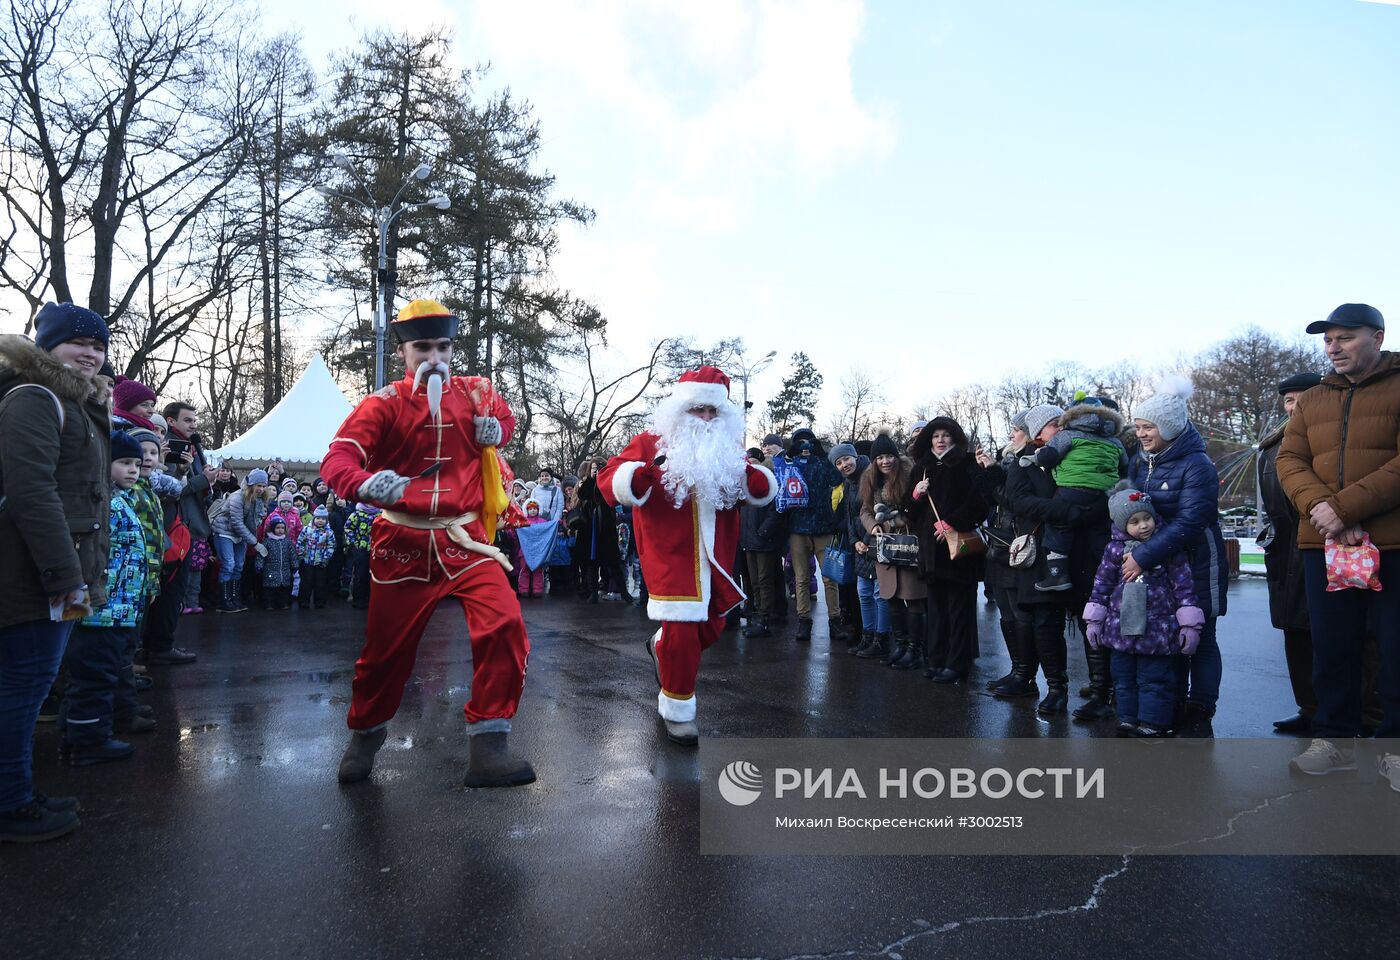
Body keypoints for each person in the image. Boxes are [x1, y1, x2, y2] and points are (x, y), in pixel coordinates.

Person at [320, 298, 534, 788]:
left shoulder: (476, 393)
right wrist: (364, 484)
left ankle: (489, 744)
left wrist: (495, 429)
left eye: (442, 347)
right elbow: (338, 458)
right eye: (422, 348)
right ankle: (366, 734)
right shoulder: (383, 403)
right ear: (404, 354)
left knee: (504, 623)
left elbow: (505, 422)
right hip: (402, 542)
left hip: (466, 539)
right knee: (385, 654)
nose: (433, 357)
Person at [599, 366, 776, 745]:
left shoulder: (728, 448)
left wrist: (759, 483)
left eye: (714, 412)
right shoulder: (651, 442)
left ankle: (659, 646)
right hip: (670, 554)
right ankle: (678, 709)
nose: (707, 419)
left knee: (709, 628)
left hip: (716, 556)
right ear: (681, 409)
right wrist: (636, 477)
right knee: (682, 632)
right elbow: (610, 479)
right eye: (699, 410)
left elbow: (751, 486)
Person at [0, 305, 112, 842]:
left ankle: (16, 789)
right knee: (23, 689)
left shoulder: (75, 401)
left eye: (98, 343)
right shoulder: (35, 398)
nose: (90, 352)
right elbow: (32, 493)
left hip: (52, 570)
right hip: (32, 574)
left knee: (27, 684)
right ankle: (9, 803)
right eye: (76, 342)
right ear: (47, 346)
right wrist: (65, 576)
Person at [1277, 303, 1400, 782]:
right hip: (1324, 544)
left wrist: (1344, 509)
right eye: (1328, 340)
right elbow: (1290, 461)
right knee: (1332, 648)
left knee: (1395, 648)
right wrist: (1324, 512)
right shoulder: (1312, 399)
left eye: (1345, 338)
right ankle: (1334, 740)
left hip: (1391, 543)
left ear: (1377, 336)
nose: (1333, 347)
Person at [1128, 379, 1229, 738]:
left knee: (1202, 636)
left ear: (1168, 428)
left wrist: (1142, 555)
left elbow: (1191, 520)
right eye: (1138, 426)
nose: (1140, 433)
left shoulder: (1197, 464)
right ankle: (1170, 703)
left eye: (1147, 427)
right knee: (1170, 635)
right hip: (1163, 565)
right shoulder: (1142, 462)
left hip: (1198, 559)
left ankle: (1201, 705)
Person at [1083, 489, 1204, 738]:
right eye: (1135, 522)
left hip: (1157, 630)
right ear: (1122, 524)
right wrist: (1095, 620)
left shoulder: (1165, 548)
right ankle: (1127, 717)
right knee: (1123, 677)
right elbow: (1102, 585)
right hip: (1120, 630)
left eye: (1147, 519)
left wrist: (1189, 624)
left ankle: (1153, 722)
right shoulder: (1113, 551)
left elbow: (1183, 584)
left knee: (1155, 679)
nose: (1144, 526)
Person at [59, 431, 148, 766]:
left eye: (137, 464)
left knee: (97, 674)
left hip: (118, 608)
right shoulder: (103, 503)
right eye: (124, 463)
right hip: (101, 609)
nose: (133, 470)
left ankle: (77, 735)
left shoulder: (121, 499)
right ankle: (89, 742)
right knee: (94, 677)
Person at [1257, 372, 1326, 733]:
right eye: (1288, 399)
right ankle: (1309, 707)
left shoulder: (1329, 440)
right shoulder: (1271, 446)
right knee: (1295, 632)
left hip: (1325, 548)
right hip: (1285, 553)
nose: (1294, 405)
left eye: (1302, 397)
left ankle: (1359, 714)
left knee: (1340, 635)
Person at [909, 418, 991, 684]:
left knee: (959, 610)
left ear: (954, 438)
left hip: (959, 550)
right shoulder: (921, 468)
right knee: (936, 609)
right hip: (931, 551)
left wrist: (952, 522)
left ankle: (957, 663)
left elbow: (980, 503)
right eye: (935, 436)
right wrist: (916, 496)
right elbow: (909, 513)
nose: (940, 440)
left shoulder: (967, 464)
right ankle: (936, 659)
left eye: (946, 435)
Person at [1029, 395, 1127, 592]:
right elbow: (1124, 464)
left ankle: (1057, 574)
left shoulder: (1067, 435)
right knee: (1100, 533)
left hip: (1072, 489)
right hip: (1104, 494)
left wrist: (1036, 457)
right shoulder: (1115, 441)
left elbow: (1050, 456)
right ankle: (1112, 572)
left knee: (1058, 526)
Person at [144, 400, 214, 658]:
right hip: (172, 527)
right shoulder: (167, 450)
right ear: (171, 420)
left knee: (175, 590)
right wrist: (199, 479)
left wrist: (207, 482)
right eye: (187, 420)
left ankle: (162, 644)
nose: (193, 425)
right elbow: (173, 489)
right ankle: (158, 647)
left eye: (195, 421)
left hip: (185, 526)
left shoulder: (191, 448)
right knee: (169, 590)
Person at [980, 410, 1040, 698]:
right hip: (1000, 544)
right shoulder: (1010, 460)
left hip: (1018, 546)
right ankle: (1017, 670)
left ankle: (1026, 677)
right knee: (1006, 613)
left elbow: (1015, 501)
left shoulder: (1031, 461)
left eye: (1015, 429)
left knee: (1020, 613)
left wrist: (992, 476)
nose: (1011, 435)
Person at [773, 428, 843, 642]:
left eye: (808, 442)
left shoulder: (821, 463)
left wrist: (822, 455)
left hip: (823, 528)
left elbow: (836, 479)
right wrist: (789, 454)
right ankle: (804, 621)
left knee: (830, 578)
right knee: (801, 578)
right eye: (800, 443)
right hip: (797, 530)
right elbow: (777, 470)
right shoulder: (789, 465)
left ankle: (835, 621)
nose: (805, 447)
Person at [855, 433, 914, 663]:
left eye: (889, 455)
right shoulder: (870, 479)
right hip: (884, 544)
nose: (885, 461)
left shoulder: (908, 475)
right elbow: (865, 511)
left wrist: (892, 521)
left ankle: (914, 649)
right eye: (880, 457)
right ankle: (898, 647)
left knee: (912, 597)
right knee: (889, 595)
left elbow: (913, 509)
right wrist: (875, 525)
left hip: (907, 543)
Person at [740, 447, 785, 639]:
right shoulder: (744, 483)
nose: (751, 464)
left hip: (764, 541)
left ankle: (765, 619)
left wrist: (763, 531)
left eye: (754, 460)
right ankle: (757, 613)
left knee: (765, 580)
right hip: (749, 541)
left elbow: (776, 511)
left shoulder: (769, 479)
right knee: (754, 581)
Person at [829, 443, 869, 650]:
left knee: (872, 594)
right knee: (856, 590)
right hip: (855, 542)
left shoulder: (869, 474)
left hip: (870, 541)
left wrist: (862, 539)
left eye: (846, 459)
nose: (844, 465)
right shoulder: (848, 481)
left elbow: (868, 511)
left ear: (854, 456)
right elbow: (849, 514)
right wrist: (854, 540)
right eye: (839, 462)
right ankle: (861, 632)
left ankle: (872, 635)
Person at [211, 469, 268, 614]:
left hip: (240, 536)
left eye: (263, 486)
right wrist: (255, 543)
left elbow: (255, 521)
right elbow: (237, 523)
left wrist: (260, 516)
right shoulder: (238, 497)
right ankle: (223, 601)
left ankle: (234, 598)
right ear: (251, 484)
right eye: (258, 485)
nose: (261, 489)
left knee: (238, 566)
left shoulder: (258, 500)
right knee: (228, 564)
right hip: (225, 532)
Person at [296, 505, 336, 609]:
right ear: (314, 518)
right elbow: (300, 542)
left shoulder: (329, 532)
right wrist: (301, 555)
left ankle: (320, 602)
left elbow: (331, 546)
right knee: (306, 583)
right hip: (307, 561)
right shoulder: (307, 529)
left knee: (320, 583)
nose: (320, 521)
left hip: (321, 562)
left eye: (323, 519)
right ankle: (304, 601)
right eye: (318, 518)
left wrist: (326, 558)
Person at [343, 501, 378, 610]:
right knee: (360, 574)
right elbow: (348, 528)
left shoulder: (380, 515)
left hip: (376, 549)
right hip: (360, 549)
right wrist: (354, 543)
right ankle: (358, 599)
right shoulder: (356, 514)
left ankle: (371, 598)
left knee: (374, 575)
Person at [259, 518, 297, 610]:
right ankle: (269, 604)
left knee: (283, 589)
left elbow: (292, 554)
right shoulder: (267, 541)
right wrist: (259, 565)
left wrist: (295, 565)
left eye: (282, 528)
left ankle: (283, 603)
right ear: (272, 529)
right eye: (277, 528)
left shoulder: (287, 541)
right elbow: (261, 555)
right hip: (270, 570)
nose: (280, 530)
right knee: (270, 590)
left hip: (284, 570)